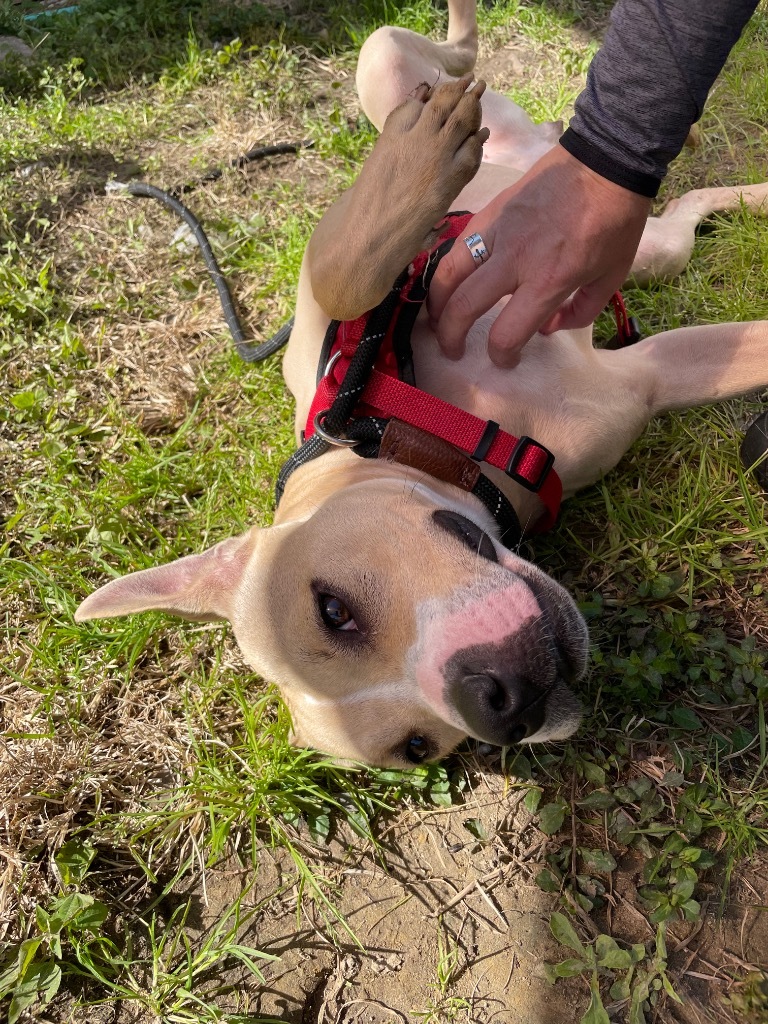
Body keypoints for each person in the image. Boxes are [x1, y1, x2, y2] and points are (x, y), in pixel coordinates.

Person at [427, 0, 762, 368]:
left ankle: (461, 44)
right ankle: (698, 203)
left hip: (485, 161)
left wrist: (609, 156)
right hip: (494, 173)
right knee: (660, 249)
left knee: (386, 61)